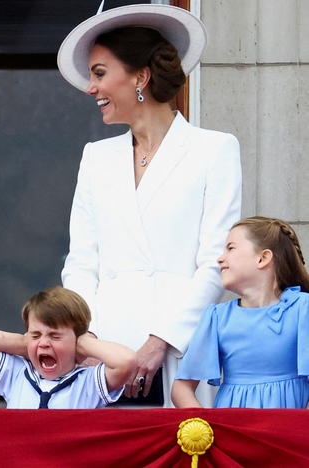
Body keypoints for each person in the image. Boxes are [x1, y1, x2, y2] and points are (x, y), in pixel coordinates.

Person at [56, 4, 242, 406]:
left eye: (100, 74)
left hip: (181, 349)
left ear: (140, 76)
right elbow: (81, 262)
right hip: (103, 354)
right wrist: (88, 341)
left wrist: (162, 340)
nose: (91, 88)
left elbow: (215, 261)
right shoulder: (95, 156)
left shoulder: (214, 150)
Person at [172, 217, 309, 408]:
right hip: (232, 431)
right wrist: (205, 429)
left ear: (263, 258)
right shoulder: (218, 317)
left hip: (286, 432)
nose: (220, 258)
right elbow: (181, 388)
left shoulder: (302, 309)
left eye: (230, 248)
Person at [0, 286, 135, 409]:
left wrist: (83, 344)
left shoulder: (88, 383)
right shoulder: (16, 374)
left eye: (55, 336)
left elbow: (127, 361)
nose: (44, 343)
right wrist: (23, 344)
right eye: (36, 334)